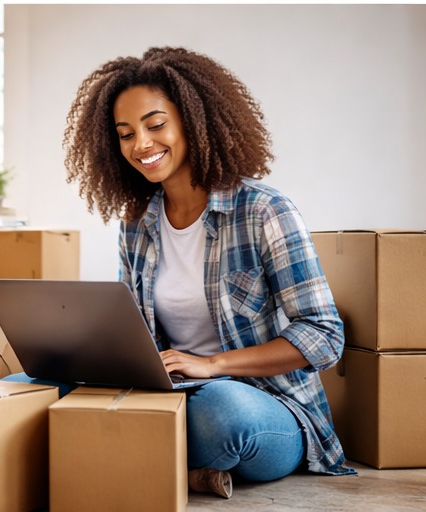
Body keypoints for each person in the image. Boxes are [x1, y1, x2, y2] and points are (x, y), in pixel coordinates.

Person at [59, 46, 356, 498]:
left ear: (194, 121)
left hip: (263, 406)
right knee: (28, 390)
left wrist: (212, 364)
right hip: (170, 396)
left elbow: (323, 335)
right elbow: (133, 330)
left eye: (155, 125)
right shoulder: (136, 225)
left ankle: (105, 457)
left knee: (222, 414)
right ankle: (182, 471)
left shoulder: (264, 210)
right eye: (125, 134)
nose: (141, 144)